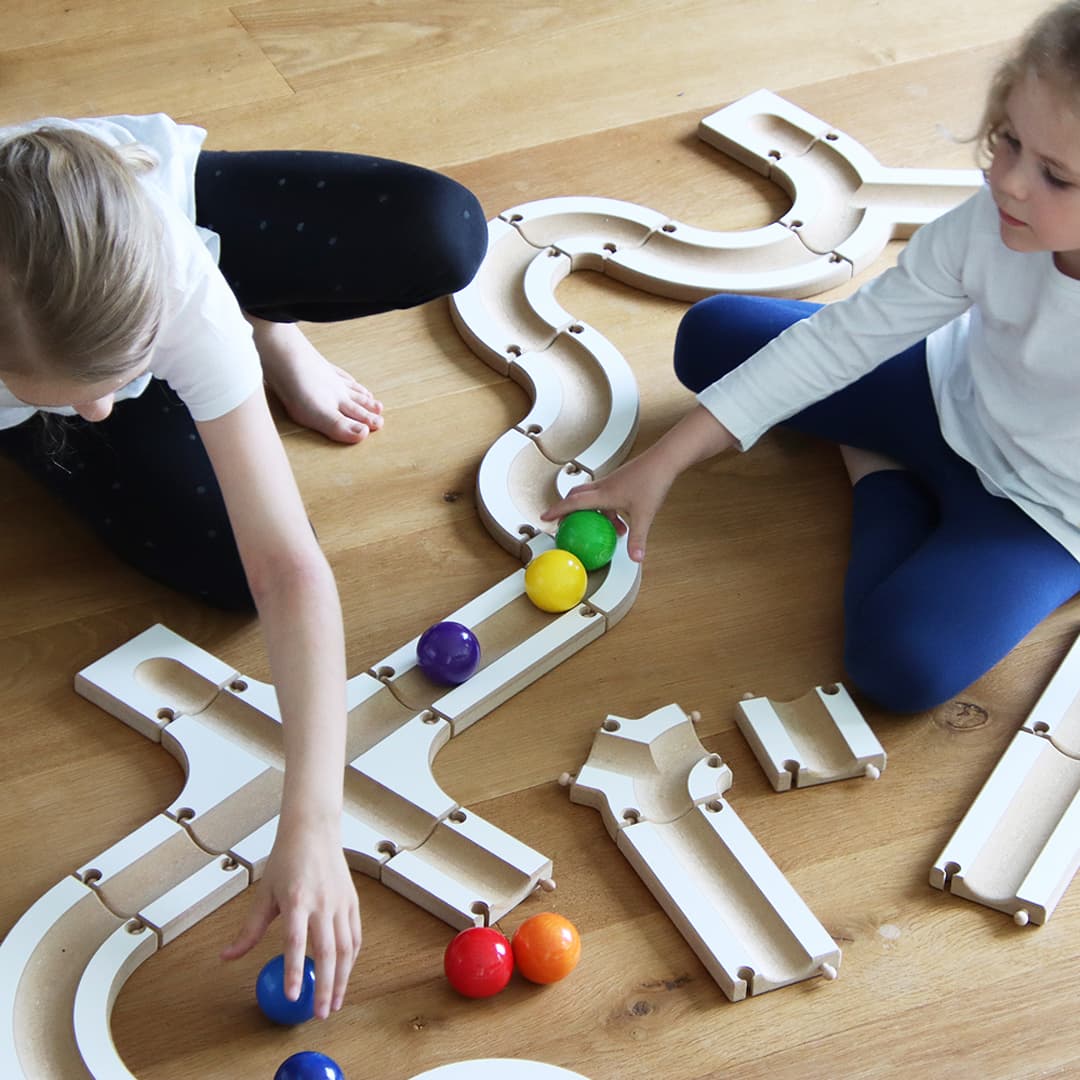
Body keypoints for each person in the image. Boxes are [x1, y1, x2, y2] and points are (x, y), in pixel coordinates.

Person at [0, 113, 488, 1017]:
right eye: (78, 396)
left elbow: (291, 569)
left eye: (123, 374)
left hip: (145, 260)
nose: (102, 412)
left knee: (439, 229)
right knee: (210, 561)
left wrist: (312, 819)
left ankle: (271, 328)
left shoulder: (180, 283)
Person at [544, 0, 1080, 715]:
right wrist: (663, 461)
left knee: (900, 669)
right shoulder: (991, 220)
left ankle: (878, 474)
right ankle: (879, 447)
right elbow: (843, 338)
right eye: (1008, 141)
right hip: (950, 393)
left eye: (1057, 176)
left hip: (1046, 513)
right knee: (711, 335)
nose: (1009, 182)